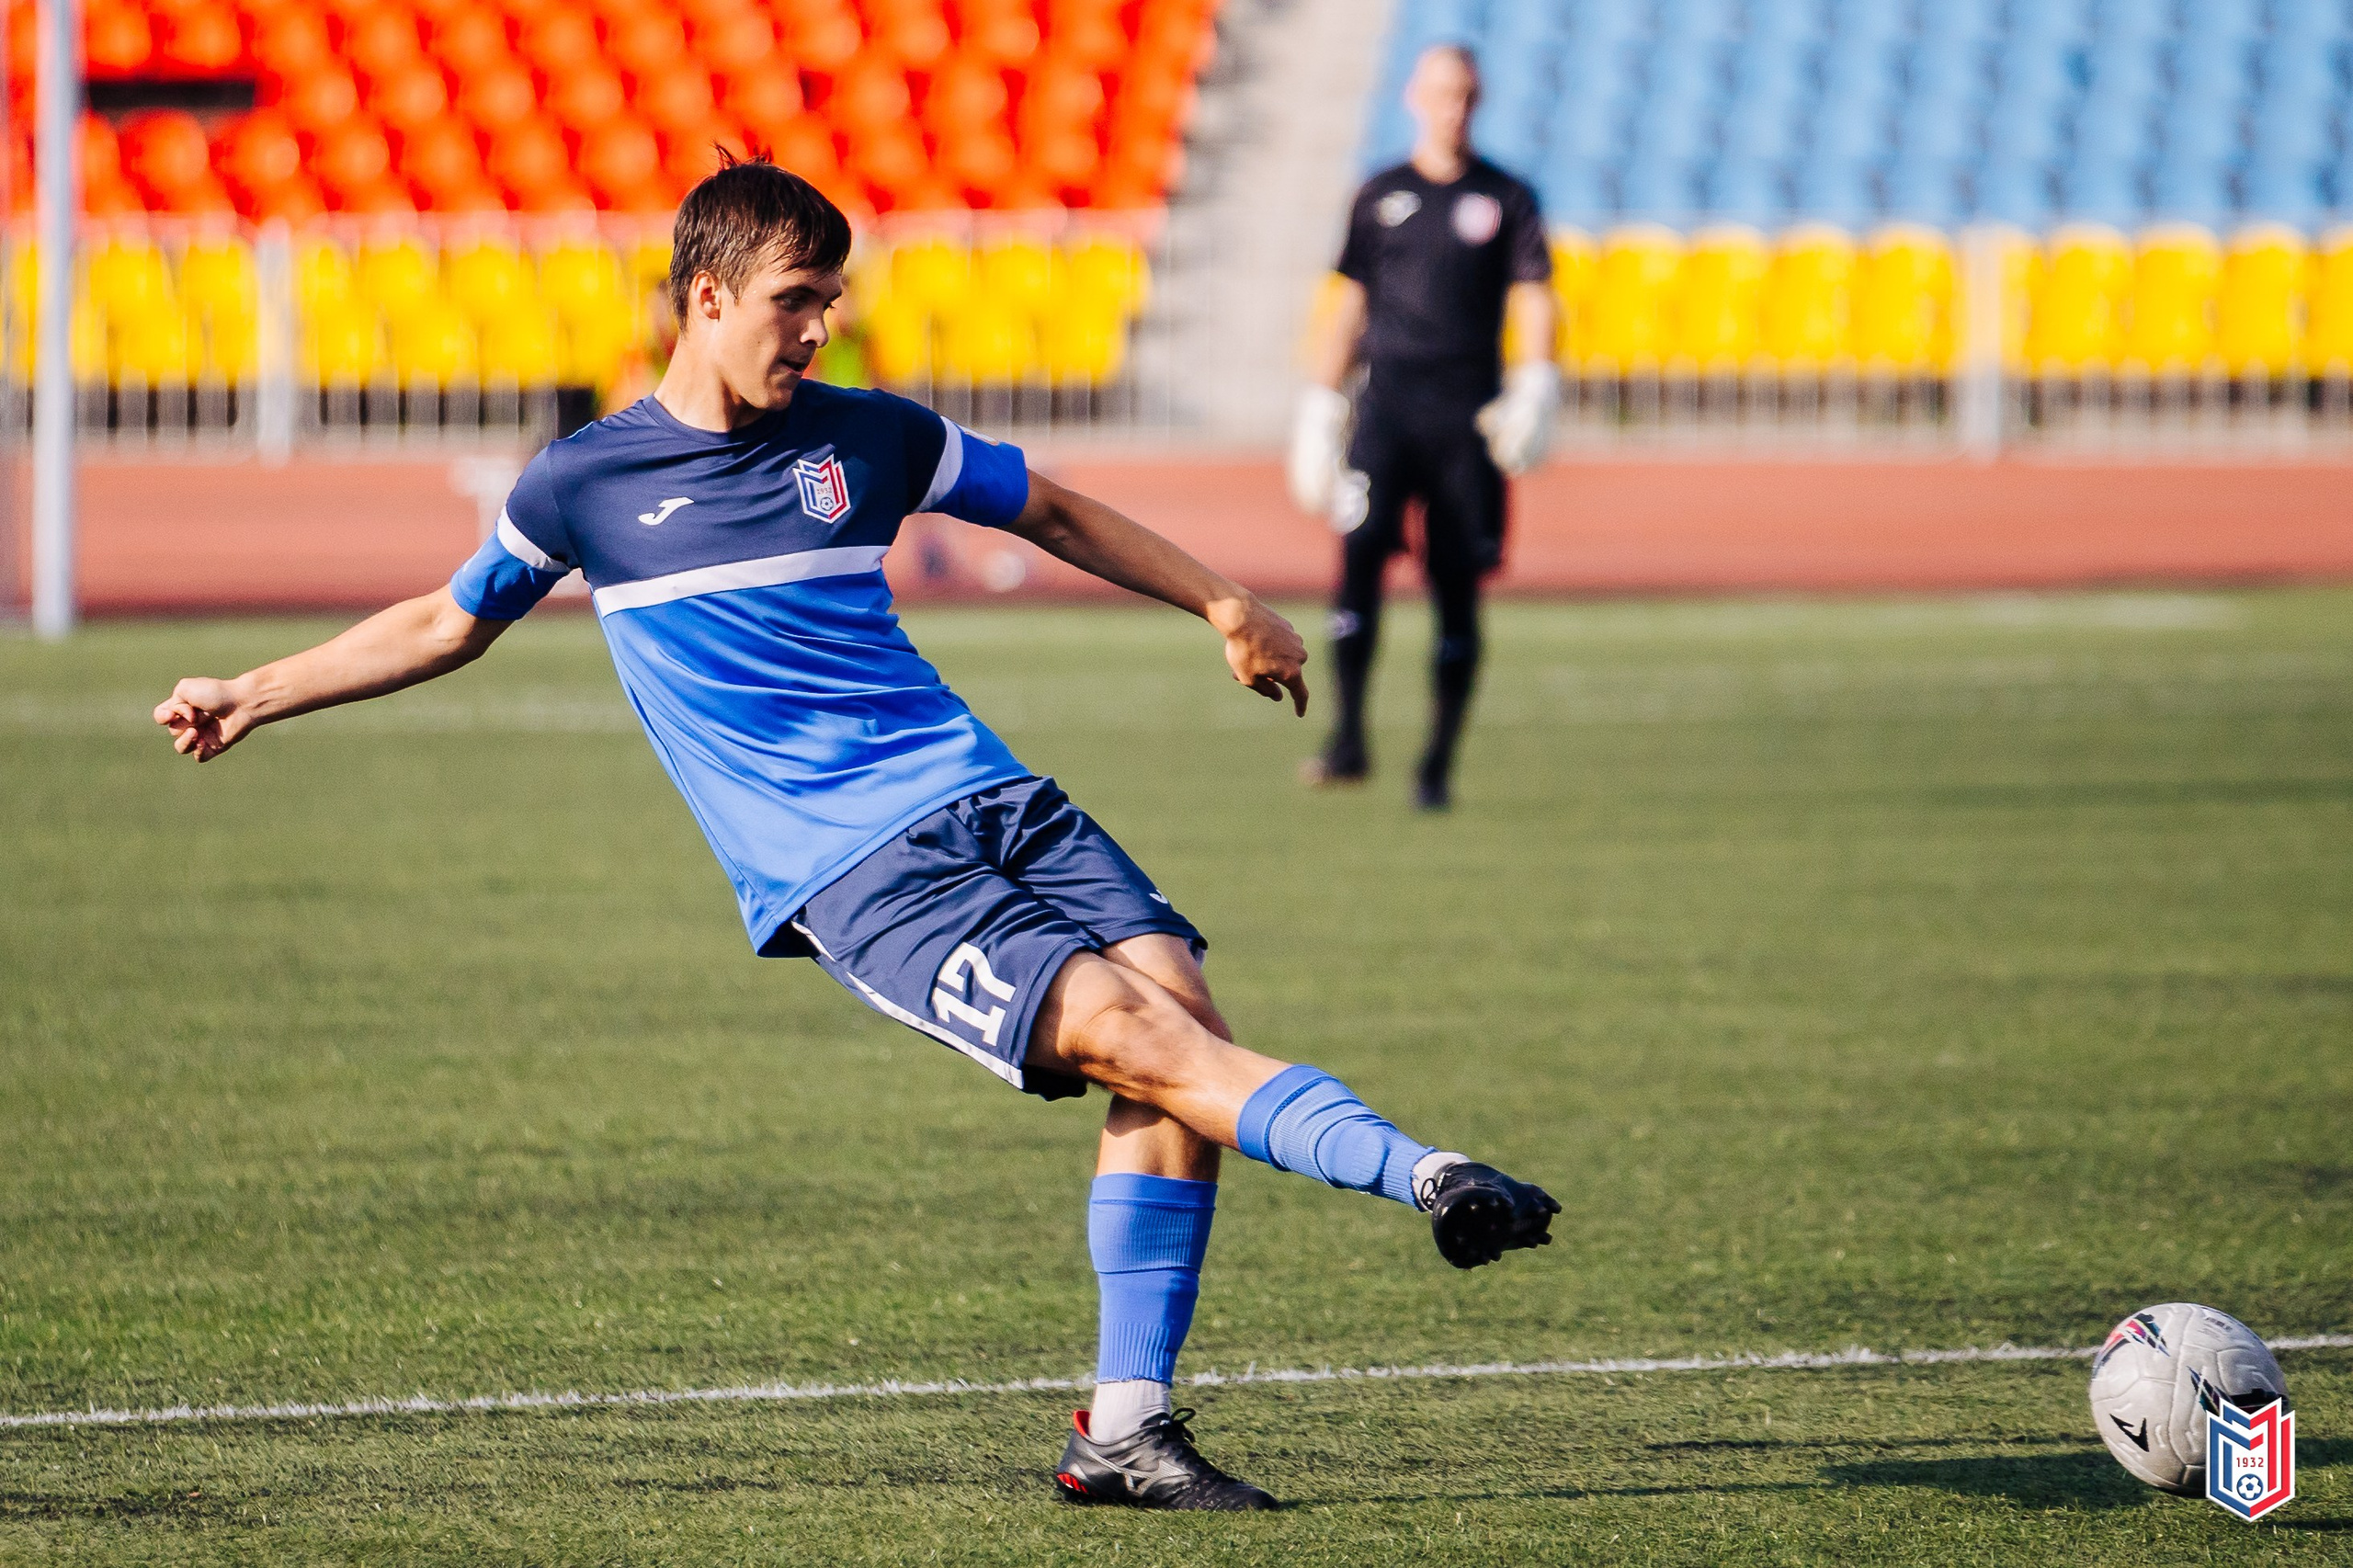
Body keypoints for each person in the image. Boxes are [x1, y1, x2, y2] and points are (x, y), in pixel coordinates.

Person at [153, 157, 1560, 1513]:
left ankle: (1127, 1430)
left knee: (1182, 1016)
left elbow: (1051, 505)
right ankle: (1426, 1172)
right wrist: (254, 690)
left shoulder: (868, 433)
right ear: (706, 296)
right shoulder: (587, 483)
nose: (819, 328)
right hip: (861, 872)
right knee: (1144, 1045)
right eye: (794, 299)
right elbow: (447, 619)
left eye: (830, 299)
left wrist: (1221, 601)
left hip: (992, 795)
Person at [1290, 44, 1562, 811]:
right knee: (1359, 560)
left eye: (1467, 95)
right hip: (1387, 410)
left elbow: (1534, 293)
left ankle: (1437, 766)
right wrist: (1319, 405)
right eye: (1444, 93)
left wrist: (1537, 382)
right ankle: (1346, 739)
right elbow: (1347, 302)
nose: (1455, 107)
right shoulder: (1380, 194)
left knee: (1457, 584)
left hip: (1467, 416)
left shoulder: (1506, 197)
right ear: (1416, 96)